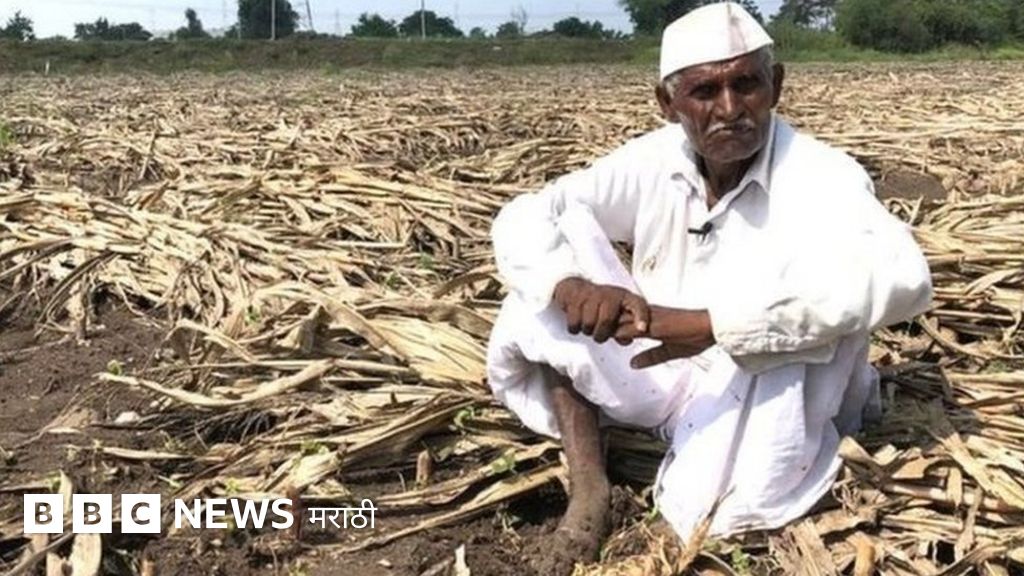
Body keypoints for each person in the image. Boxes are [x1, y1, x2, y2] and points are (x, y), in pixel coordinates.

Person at [485, 2, 934, 574]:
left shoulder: (821, 174)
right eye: (704, 92)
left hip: (761, 383)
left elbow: (904, 276)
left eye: (746, 85)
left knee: (725, 504)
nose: (729, 109)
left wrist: (715, 326)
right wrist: (571, 287)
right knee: (541, 279)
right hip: (656, 361)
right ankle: (590, 485)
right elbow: (528, 214)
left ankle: (705, 494)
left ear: (775, 86)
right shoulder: (653, 160)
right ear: (667, 104)